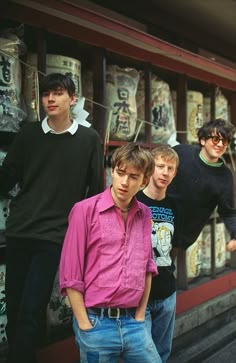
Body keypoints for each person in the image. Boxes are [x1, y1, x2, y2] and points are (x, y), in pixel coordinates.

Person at [0, 73, 104, 363]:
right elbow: (6, 179)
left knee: (31, 308)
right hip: (20, 230)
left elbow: (95, 193)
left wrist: (89, 238)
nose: (50, 99)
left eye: (57, 93)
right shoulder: (28, 134)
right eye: (46, 94)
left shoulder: (89, 139)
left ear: (72, 99)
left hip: (56, 235)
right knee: (15, 305)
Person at [59, 143, 162, 363]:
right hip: (96, 322)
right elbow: (70, 274)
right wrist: (85, 325)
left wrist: (141, 316)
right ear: (112, 171)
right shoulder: (84, 210)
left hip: (134, 324)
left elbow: (147, 267)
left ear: (144, 181)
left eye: (133, 177)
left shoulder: (144, 214)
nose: (124, 182)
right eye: (120, 173)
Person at [136, 144, 180, 363]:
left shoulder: (175, 205)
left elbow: (177, 243)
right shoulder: (134, 201)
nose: (165, 172)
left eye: (170, 168)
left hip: (166, 292)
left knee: (162, 354)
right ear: (150, 168)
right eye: (160, 166)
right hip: (138, 293)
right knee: (143, 355)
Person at [168, 118, 236, 252]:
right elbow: (152, 164)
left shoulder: (225, 176)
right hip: (155, 223)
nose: (220, 144)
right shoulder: (182, 152)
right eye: (216, 139)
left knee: (164, 272)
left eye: (225, 141)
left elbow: (228, 212)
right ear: (203, 140)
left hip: (181, 238)